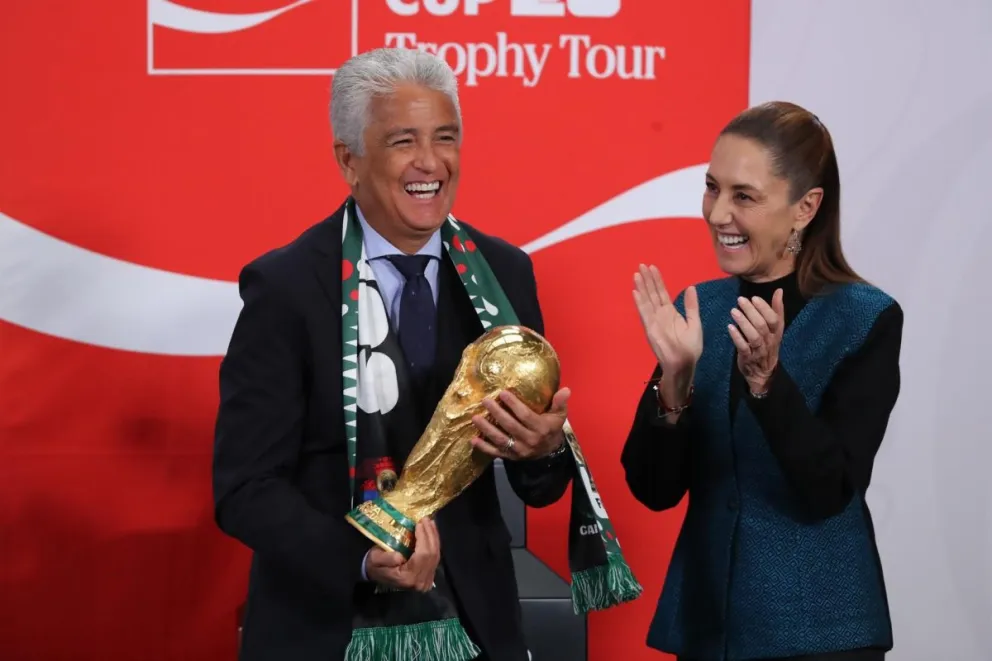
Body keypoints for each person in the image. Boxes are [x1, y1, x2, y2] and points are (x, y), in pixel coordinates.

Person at [212, 48, 576, 661]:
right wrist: (360, 555)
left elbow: (538, 488)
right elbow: (245, 489)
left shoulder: (504, 274)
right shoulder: (289, 287)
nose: (430, 162)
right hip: (327, 626)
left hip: (476, 624)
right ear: (348, 160)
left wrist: (544, 448)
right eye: (403, 141)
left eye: (445, 138)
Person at [623, 101, 902, 661]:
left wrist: (768, 384)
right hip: (708, 628)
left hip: (821, 633)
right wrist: (674, 382)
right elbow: (653, 491)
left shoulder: (864, 317)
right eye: (711, 188)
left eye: (743, 196)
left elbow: (830, 490)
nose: (717, 212)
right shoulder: (700, 308)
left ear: (805, 207)